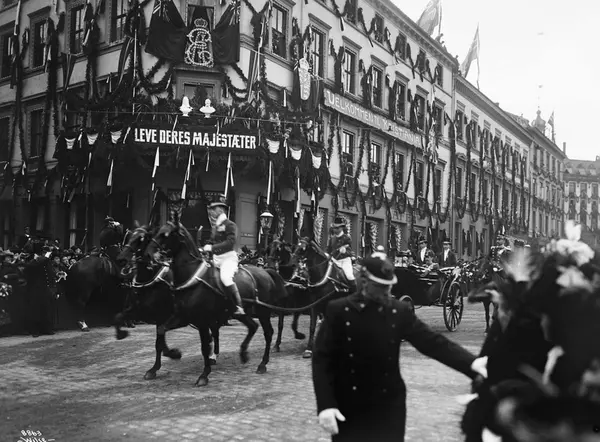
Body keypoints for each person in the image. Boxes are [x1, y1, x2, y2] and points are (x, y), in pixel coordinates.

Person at [312, 249, 487, 441]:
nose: (386, 292)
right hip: (348, 402)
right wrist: (326, 405)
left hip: (388, 404)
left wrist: (471, 364)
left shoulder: (398, 311)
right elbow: (322, 358)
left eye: (388, 286)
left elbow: (431, 342)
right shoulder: (339, 310)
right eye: (379, 286)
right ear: (364, 281)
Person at [199, 194, 245, 317]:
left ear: (221, 210)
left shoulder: (230, 225)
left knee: (225, 278)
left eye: (213, 209)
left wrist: (212, 248)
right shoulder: (215, 227)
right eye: (211, 209)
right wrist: (203, 248)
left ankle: (239, 306)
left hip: (228, 258)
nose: (211, 211)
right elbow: (211, 241)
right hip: (216, 259)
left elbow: (230, 243)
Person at [326, 217, 357, 293]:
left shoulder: (347, 238)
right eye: (334, 228)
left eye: (337, 228)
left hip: (344, 261)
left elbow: (350, 251)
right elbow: (328, 250)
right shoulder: (332, 239)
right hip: (334, 261)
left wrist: (345, 251)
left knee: (349, 275)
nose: (335, 230)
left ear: (342, 228)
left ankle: (354, 292)